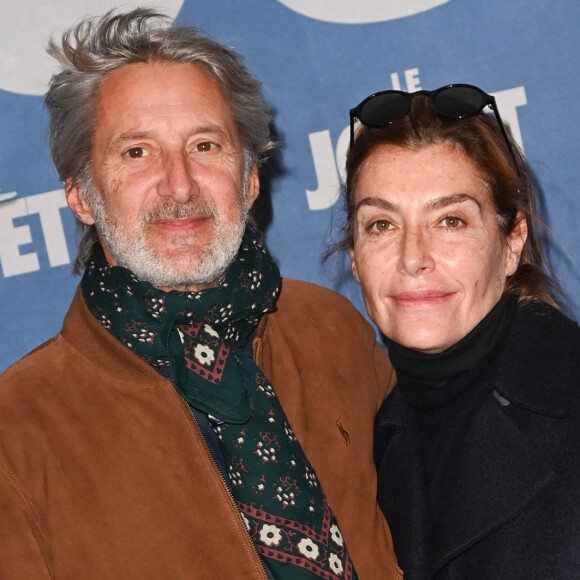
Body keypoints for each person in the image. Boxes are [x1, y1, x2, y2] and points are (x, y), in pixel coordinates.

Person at [0, 9, 401, 579]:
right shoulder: (15, 433)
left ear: (250, 178)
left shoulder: (332, 332)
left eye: (206, 145)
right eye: (137, 152)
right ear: (81, 195)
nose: (179, 184)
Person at [343, 84, 580, 579]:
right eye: (381, 225)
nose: (413, 258)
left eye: (450, 220)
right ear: (354, 256)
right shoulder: (361, 447)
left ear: (512, 239)